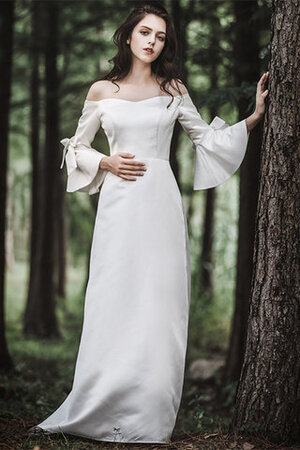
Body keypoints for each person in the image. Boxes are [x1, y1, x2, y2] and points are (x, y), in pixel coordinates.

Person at [28, 1, 269, 444]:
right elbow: (75, 148)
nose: (152, 42)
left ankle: (149, 413)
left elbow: (206, 139)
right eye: (145, 33)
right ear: (128, 36)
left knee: (159, 301)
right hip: (120, 205)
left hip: (160, 201)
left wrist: (251, 118)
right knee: (113, 295)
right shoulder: (103, 90)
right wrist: (106, 161)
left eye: (159, 36)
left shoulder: (173, 88)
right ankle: (100, 401)